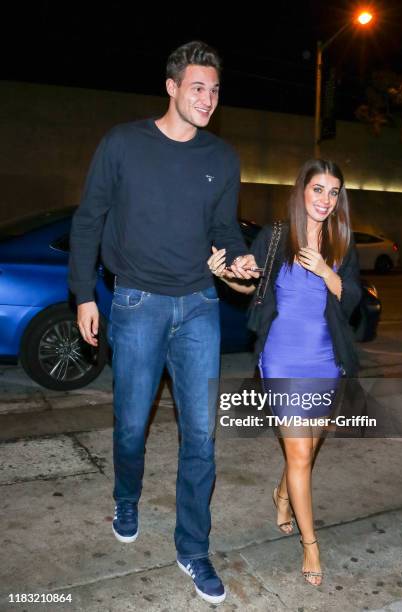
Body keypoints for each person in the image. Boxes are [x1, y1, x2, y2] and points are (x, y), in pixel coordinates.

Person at [68, 40, 258, 605]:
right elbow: (88, 221)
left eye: (216, 89)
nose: (208, 98)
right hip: (135, 306)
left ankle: (193, 549)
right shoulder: (123, 144)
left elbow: (225, 231)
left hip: (199, 307)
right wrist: (84, 294)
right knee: (131, 427)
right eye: (198, 87)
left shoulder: (221, 159)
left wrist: (239, 262)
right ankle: (127, 496)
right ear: (171, 87)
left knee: (202, 435)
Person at [207, 158, 361, 587]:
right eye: (318, 190)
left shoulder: (343, 243)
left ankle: (282, 494)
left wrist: (327, 270)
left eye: (333, 192)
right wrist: (228, 275)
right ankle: (310, 544)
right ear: (302, 191)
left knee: (307, 450)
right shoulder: (275, 236)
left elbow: (351, 304)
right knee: (298, 454)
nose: (325, 200)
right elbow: (248, 287)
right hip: (280, 358)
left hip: (326, 359)